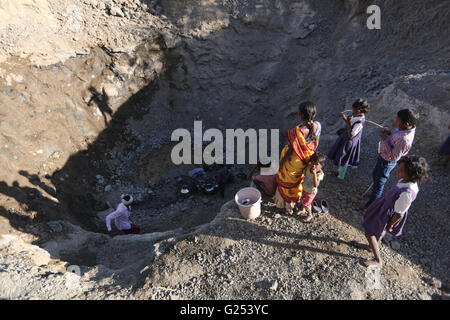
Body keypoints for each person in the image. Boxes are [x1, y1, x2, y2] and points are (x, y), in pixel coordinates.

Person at [354, 155, 428, 268]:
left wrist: (390, 225)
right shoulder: (406, 181)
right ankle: (371, 247)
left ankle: (378, 260)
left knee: (369, 232)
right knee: (377, 232)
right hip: (385, 207)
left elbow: (399, 213)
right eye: (399, 167)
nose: (398, 171)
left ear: (412, 174)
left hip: (388, 214)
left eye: (402, 170)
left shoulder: (407, 193)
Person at [364, 108, 419, 208]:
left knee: (379, 182)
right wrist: (390, 135)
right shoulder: (404, 129)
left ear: (406, 123)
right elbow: (395, 141)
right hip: (383, 157)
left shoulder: (404, 139)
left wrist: (384, 140)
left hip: (386, 162)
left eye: (398, 119)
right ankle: (374, 196)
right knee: (376, 176)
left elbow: (394, 157)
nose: (396, 120)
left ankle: (370, 206)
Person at [274, 101, 320, 214]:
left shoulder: (299, 130)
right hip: (307, 157)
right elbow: (316, 144)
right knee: (299, 179)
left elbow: (291, 149)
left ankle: (286, 205)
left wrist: (283, 162)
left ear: (301, 115)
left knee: (287, 179)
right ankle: (297, 198)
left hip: (295, 160)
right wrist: (309, 155)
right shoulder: (318, 125)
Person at [328, 99, 370, 180]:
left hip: (349, 141)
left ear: (359, 110)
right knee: (342, 154)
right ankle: (339, 172)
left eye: (354, 109)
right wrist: (345, 119)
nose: (352, 111)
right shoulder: (356, 115)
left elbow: (351, 135)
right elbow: (350, 124)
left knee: (345, 157)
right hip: (346, 137)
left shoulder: (360, 122)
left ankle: (340, 176)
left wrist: (347, 122)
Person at [298, 152, 325, 222]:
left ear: (321, 165)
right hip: (304, 188)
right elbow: (303, 172)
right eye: (312, 163)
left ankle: (310, 214)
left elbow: (316, 185)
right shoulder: (308, 167)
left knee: (307, 203)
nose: (314, 166)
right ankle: (303, 210)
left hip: (311, 192)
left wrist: (314, 174)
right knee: (303, 199)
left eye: (316, 164)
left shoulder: (319, 174)